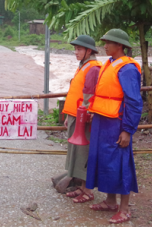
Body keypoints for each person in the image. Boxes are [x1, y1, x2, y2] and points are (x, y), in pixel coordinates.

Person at [86, 29, 143, 224]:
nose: (104, 45)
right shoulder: (109, 64)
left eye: (108, 42)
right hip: (103, 119)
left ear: (120, 45)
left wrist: (127, 130)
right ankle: (110, 201)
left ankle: (124, 209)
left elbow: (134, 102)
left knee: (120, 163)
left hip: (118, 122)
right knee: (104, 160)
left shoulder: (128, 69)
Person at [61, 35, 102, 203]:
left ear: (88, 51)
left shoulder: (92, 68)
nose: (75, 52)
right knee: (77, 152)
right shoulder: (83, 66)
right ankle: (82, 187)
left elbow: (89, 96)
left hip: (83, 117)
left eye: (79, 49)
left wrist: (84, 116)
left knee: (84, 152)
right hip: (75, 115)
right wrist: (68, 115)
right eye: (75, 49)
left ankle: (87, 190)